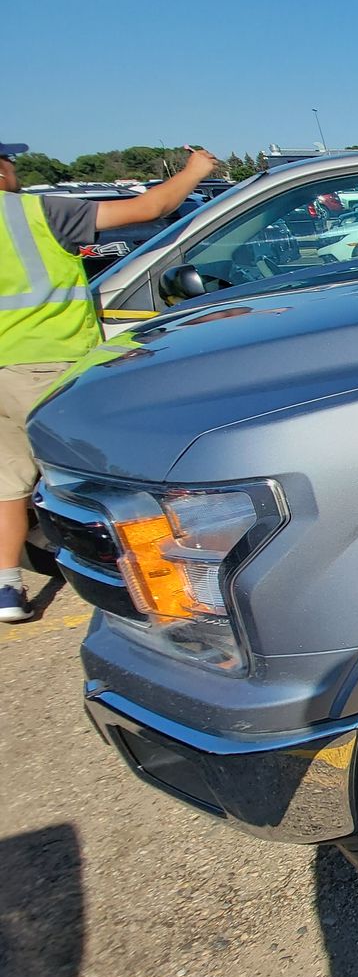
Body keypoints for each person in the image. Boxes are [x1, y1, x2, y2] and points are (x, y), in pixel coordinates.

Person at [0, 139, 218, 621]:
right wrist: (196, 169)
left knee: (7, 484)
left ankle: (6, 589)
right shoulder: (34, 213)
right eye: (9, 163)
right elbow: (153, 206)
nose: (15, 170)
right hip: (46, 363)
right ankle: (154, 579)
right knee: (93, 472)